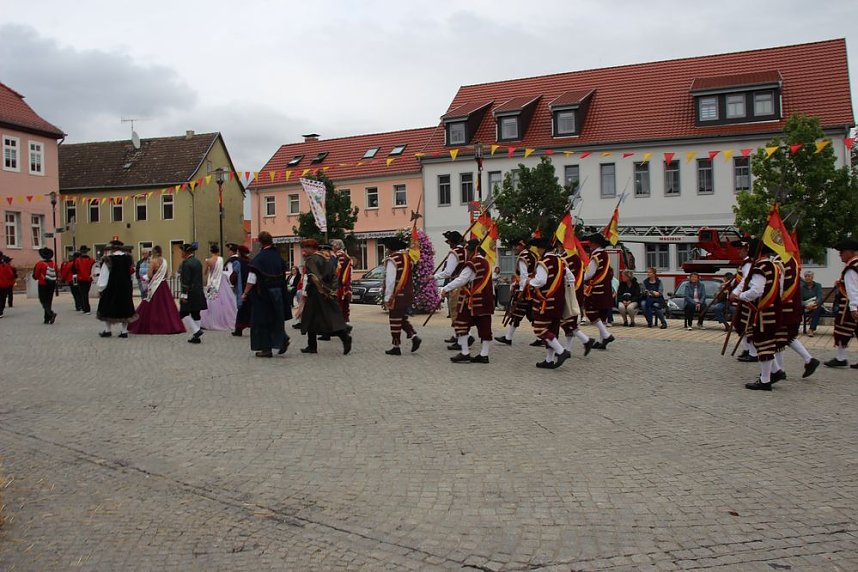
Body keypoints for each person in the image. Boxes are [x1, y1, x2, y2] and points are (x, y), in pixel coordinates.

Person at [732, 240, 781, 390]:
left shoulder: (760, 267)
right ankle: (774, 371)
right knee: (766, 342)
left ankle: (765, 380)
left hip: (764, 310)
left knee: (763, 342)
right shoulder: (774, 266)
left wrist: (740, 296)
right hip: (773, 308)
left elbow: (757, 290)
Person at [439, 238, 492, 363]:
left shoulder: (473, 263)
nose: (466, 253)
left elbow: (461, 280)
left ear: (473, 251)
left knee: (461, 323)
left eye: (468, 251)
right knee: (485, 327)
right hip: (486, 300)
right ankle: (484, 354)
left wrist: (445, 288)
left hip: (471, 301)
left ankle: (465, 352)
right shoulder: (486, 262)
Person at [298, 239, 352, 355]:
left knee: (323, 317)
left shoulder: (311, 259)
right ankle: (312, 345)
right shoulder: (327, 258)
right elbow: (334, 276)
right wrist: (332, 290)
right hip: (328, 291)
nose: (304, 251)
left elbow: (314, 277)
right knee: (314, 317)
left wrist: (322, 291)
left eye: (305, 248)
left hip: (317, 292)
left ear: (312, 248)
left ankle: (345, 337)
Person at [241, 232, 289, 357]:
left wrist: (245, 293)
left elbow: (252, 279)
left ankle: (266, 349)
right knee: (276, 318)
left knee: (261, 321)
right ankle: (282, 339)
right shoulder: (278, 257)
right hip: (278, 293)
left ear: (260, 242)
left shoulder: (259, 259)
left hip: (262, 295)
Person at [772, 253, 820, 379]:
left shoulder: (780, 260)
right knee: (788, 336)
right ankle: (809, 359)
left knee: (779, 337)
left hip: (783, 305)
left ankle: (779, 370)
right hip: (793, 305)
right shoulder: (792, 260)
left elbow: (780, 285)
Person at [528, 237, 572, 368]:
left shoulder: (544, 263)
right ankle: (549, 360)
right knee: (552, 330)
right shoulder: (561, 261)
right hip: (558, 301)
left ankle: (561, 351)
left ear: (542, 249)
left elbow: (541, 281)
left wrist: (529, 282)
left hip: (545, 302)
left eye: (538, 249)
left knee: (540, 329)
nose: (538, 251)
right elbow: (571, 278)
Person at [128, 245, 184, 335]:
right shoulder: (165, 261)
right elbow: (166, 274)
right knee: (166, 305)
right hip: (163, 285)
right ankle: (170, 325)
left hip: (155, 285)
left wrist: (146, 278)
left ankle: (150, 324)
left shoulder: (153, 261)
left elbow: (149, 275)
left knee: (150, 304)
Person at [380, 236, 422, 356]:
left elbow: (391, 280)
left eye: (387, 248)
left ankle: (396, 346)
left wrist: (387, 297)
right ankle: (414, 336)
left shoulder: (393, 259)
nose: (386, 250)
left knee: (394, 319)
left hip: (397, 294)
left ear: (391, 249)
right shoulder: (408, 258)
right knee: (402, 318)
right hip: (408, 293)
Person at [496, 237, 537, 346]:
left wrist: (521, 291)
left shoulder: (523, 258)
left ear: (522, 245)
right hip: (532, 290)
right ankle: (541, 337)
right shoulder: (533, 255)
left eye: (517, 246)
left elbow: (523, 276)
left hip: (525, 291)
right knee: (532, 315)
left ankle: (508, 338)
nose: (515, 248)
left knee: (516, 313)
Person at [825, 238, 858, 369]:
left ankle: (841, 357)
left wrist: (854, 307)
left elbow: (853, 288)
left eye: (842, 252)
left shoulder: (851, 267)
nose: (840, 255)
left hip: (850, 304)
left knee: (841, 328)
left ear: (849, 252)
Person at [96, 239, 138, 337]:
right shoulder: (128, 259)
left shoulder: (108, 259)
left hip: (112, 287)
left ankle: (108, 330)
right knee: (125, 307)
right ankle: (124, 331)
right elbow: (132, 274)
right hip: (125, 287)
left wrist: (101, 288)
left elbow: (104, 275)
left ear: (113, 249)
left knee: (107, 307)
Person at [559, 243, 595, 355]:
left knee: (565, 321)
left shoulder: (568, 258)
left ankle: (586, 340)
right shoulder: (573, 257)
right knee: (570, 321)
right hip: (574, 293)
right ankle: (569, 348)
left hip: (569, 293)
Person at [435, 230, 469, 347]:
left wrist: (434, 276)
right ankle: (458, 336)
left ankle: (462, 339)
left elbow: (448, 272)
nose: (448, 244)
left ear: (452, 242)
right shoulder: (466, 251)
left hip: (456, 284)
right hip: (465, 284)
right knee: (460, 311)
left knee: (456, 312)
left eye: (449, 241)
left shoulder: (454, 253)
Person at [583, 233, 616, 349]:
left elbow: (589, 273)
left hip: (596, 289)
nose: (589, 244)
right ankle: (603, 341)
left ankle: (606, 335)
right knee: (602, 315)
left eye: (590, 242)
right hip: (605, 287)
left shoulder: (596, 256)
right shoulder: (605, 254)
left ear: (596, 243)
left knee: (590, 311)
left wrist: (578, 278)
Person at [730, 239, 758, 363]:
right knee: (740, 324)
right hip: (744, 297)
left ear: (747, 249)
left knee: (746, 325)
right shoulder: (745, 263)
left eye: (740, 249)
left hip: (748, 298)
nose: (738, 251)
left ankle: (753, 353)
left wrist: (735, 292)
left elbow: (746, 280)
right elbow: (740, 278)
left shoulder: (749, 263)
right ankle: (748, 349)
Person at [200, 245, 238, 331]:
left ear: (210, 251)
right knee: (224, 301)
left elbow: (205, 272)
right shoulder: (221, 259)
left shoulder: (208, 261)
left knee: (211, 301)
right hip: (221, 281)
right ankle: (224, 319)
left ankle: (211, 320)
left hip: (212, 283)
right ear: (218, 251)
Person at [177, 243, 207, 344]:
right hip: (198, 291)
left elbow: (186, 281)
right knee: (196, 313)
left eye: (182, 251)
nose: (181, 253)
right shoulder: (198, 262)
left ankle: (196, 331)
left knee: (183, 313)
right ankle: (196, 337)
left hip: (190, 292)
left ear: (186, 252)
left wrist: (184, 295)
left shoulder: (186, 263)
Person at [332, 239, 353, 331]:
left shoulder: (339, 255)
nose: (332, 247)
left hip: (340, 284)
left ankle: (340, 326)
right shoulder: (346, 255)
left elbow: (337, 271)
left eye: (333, 245)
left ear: (337, 246)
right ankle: (344, 324)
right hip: (345, 284)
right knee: (344, 306)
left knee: (338, 305)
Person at [33, 247, 58, 324]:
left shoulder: (40, 264)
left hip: (43, 284)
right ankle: (47, 318)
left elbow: (36, 275)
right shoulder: (54, 264)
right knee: (49, 300)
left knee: (43, 300)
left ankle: (50, 313)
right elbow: (57, 273)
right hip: (52, 283)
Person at [800, 270, 824, 336]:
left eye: (809, 276)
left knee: (817, 309)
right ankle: (794, 328)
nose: (807, 278)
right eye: (806, 276)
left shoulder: (818, 285)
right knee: (797, 309)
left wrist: (814, 304)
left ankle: (811, 329)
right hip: (806, 306)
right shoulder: (801, 287)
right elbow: (799, 300)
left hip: (816, 306)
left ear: (812, 277)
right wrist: (806, 305)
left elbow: (820, 297)